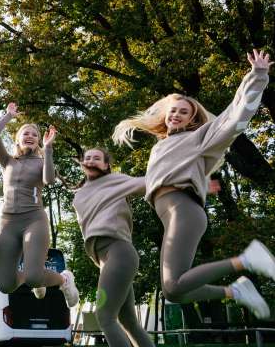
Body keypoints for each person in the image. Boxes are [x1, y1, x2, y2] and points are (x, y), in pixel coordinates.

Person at [112, 50, 274, 320]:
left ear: (192, 119)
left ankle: (248, 260)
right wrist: (201, 181)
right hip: (174, 213)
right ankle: (235, 292)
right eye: (173, 110)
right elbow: (161, 178)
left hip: (183, 211)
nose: (176, 115)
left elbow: (234, 117)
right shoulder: (162, 146)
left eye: (183, 112)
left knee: (174, 284)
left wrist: (257, 76)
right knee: (172, 290)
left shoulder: (198, 137)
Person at [72, 148, 177, 347]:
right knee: (128, 321)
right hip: (106, 260)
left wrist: (191, 180)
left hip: (119, 252)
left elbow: (150, 182)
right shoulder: (79, 194)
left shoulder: (118, 181)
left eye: (97, 158)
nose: (90, 161)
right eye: (87, 158)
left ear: (107, 165)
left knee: (104, 315)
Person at [0, 103, 79, 307]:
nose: (30, 136)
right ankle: (37, 277)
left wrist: (48, 149)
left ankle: (64, 279)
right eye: (25, 133)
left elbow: (49, 180)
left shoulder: (41, 162)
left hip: (33, 220)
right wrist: (9, 115)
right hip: (8, 223)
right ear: (18, 139)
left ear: (39, 140)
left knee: (33, 277)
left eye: (34, 135)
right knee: (5, 284)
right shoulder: (7, 161)